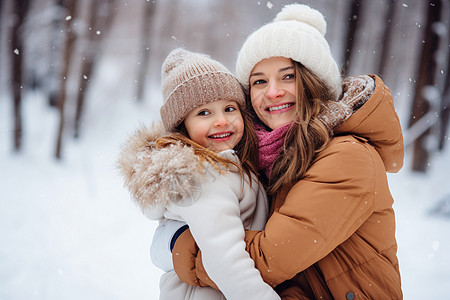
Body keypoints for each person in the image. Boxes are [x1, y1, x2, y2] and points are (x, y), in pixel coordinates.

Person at [157, 4, 404, 300]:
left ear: (314, 83)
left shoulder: (347, 157)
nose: (272, 92)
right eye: (259, 81)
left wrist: (177, 244)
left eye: (288, 76)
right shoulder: (265, 158)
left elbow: (267, 261)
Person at [117, 48, 281, 300]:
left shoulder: (231, 165)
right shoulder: (206, 175)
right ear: (183, 126)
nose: (221, 121)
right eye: (204, 113)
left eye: (229, 108)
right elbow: (224, 259)